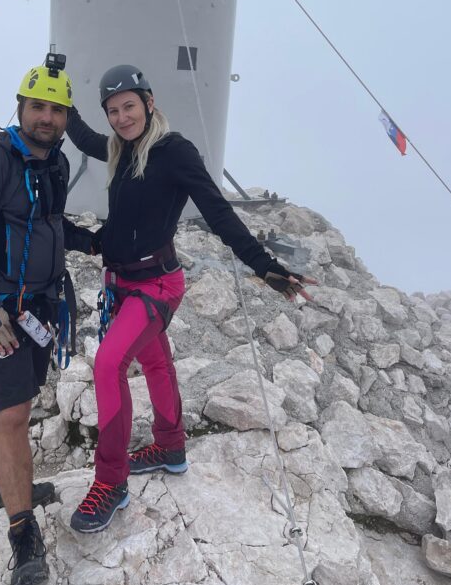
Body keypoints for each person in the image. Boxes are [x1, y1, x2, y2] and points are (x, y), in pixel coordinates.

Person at [65, 64, 315, 533]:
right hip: (121, 283)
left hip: (157, 285)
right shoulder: (119, 148)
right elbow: (81, 137)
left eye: (129, 107)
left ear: (149, 102)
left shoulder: (174, 151)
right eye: (113, 110)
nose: (121, 117)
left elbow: (217, 211)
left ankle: (111, 483)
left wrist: (263, 265)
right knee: (156, 363)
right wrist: (61, 99)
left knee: (108, 365)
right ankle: (171, 447)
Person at [0, 58, 94, 585]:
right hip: (1, 311)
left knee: (26, 396)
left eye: (57, 110)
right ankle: (22, 535)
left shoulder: (54, 164)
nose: (47, 118)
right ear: (20, 107)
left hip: (42, 306)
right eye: (38, 106)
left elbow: (51, 224)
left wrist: (95, 242)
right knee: (11, 415)